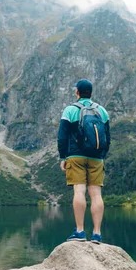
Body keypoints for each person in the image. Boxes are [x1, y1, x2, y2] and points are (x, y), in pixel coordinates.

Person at [57, 79, 110, 243]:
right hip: (97, 157)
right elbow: (107, 137)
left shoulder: (70, 110)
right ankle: (97, 233)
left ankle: (80, 231)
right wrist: (101, 155)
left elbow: (62, 136)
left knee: (79, 191)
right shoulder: (102, 111)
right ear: (91, 93)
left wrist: (63, 157)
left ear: (77, 92)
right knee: (96, 195)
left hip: (76, 156)